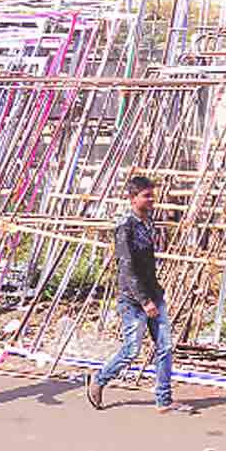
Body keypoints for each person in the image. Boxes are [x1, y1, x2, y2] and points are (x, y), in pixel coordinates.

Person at [85, 177, 192, 414]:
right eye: (146, 196)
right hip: (133, 299)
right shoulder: (126, 227)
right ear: (133, 198)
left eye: (152, 195)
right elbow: (127, 266)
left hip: (154, 292)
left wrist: (154, 296)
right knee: (132, 350)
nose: (151, 200)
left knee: (165, 346)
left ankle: (164, 400)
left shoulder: (148, 222)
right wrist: (144, 301)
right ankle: (100, 379)